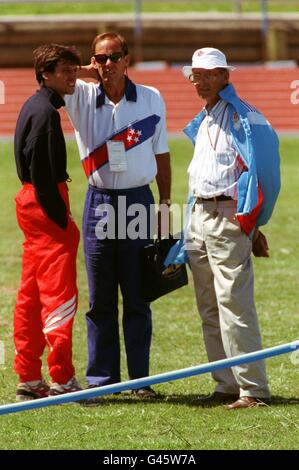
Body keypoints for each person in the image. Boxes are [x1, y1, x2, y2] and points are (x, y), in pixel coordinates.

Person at [168, 47, 280, 409]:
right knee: (209, 306)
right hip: (200, 216)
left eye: (208, 74)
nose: (200, 81)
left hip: (228, 216)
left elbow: (266, 175)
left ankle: (253, 390)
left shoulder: (245, 117)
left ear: (224, 76)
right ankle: (226, 383)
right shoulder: (204, 119)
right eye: (196, 74)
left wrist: (253, 222)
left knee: (234, 304)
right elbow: (199, 178)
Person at [64, 32, 171, 397]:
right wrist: (86, 71)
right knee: (101, 298)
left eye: (114, 57)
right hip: (100, 202)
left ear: (128, 60)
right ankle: (102, 381)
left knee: (138, 296)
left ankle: (141, 382)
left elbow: (162, 154)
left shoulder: (152, 97)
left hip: (139, 201)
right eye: (100, 58)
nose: (107, 64)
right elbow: (46, 72)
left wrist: (166, 203)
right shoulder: (79, 94)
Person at [14, 44, 82, 401]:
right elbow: (42, 174)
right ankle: (62, 379)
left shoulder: (35, 105)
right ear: (46, 74)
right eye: (66, 71)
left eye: (75, 70)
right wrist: (63, 221)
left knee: (31, 294)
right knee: (59, 296)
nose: (73, 77)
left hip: (30, 203)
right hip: (45, 205)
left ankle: (28, 376)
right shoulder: (45, 114)